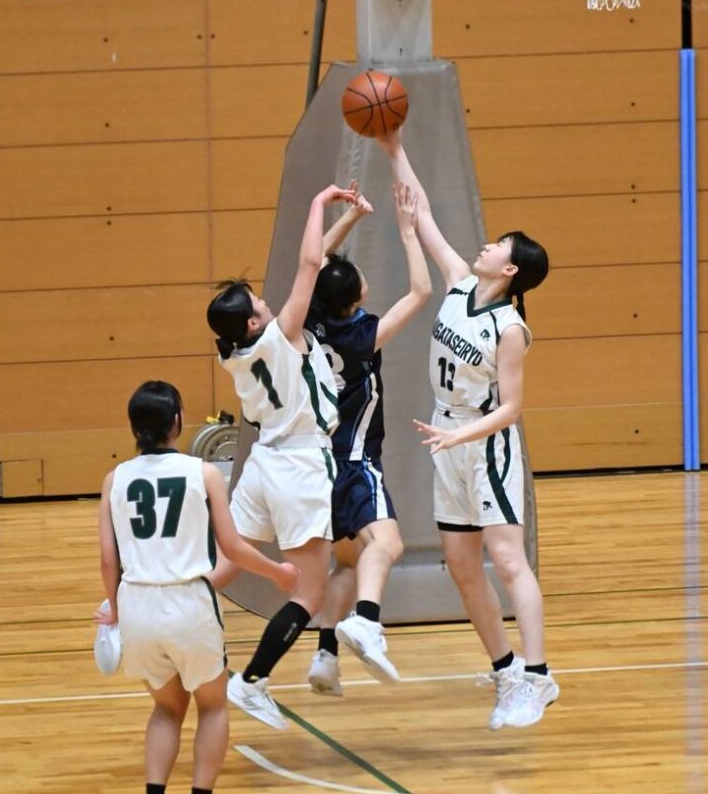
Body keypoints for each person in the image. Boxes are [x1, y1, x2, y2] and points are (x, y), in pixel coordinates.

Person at [378, 130, 559, 730]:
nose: (485, 243)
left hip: (486, 446)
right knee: (460, 564)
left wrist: (464, 437)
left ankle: (539, 677)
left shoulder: (510, 328)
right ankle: (506, 670)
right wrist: (394, 148)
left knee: (507, 560)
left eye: (498, 243)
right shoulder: (459, 282)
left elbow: (512, 408)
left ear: (510, 269)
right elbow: (424, 212)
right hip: (447, 438)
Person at [95, 380, 298, 794]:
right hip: (189, 604)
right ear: (176, 421)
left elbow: (107, 559)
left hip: (137, 607)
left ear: (134, 427)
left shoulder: (114, 479)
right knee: (212, 705)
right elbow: (233, 548)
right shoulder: (203, 473)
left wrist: (114, 609)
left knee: (167, 709)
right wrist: (276, 572)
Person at [206, 183, 357, 730]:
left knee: (225, 565)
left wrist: (348, 221)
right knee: (309, 594)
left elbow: (312, 267)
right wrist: (319, 203)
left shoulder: (233, 353)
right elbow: (310, 263)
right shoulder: (279, 336)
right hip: (298, 466)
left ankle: (147, 609)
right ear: (254, 323)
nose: (267, 303)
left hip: (262, 464)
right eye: (258, 304)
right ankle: (253, 680)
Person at [305, 181, 431, 695]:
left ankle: (325, 656)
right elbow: (421, 292)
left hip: (318, 463)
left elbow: (314, 260)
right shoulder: (362, 335)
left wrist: (352, 215)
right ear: (356, 296)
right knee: (388, 544)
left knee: (349, 560)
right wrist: (408, 231)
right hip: (355, 460)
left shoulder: (310, 319)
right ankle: (367, 621)